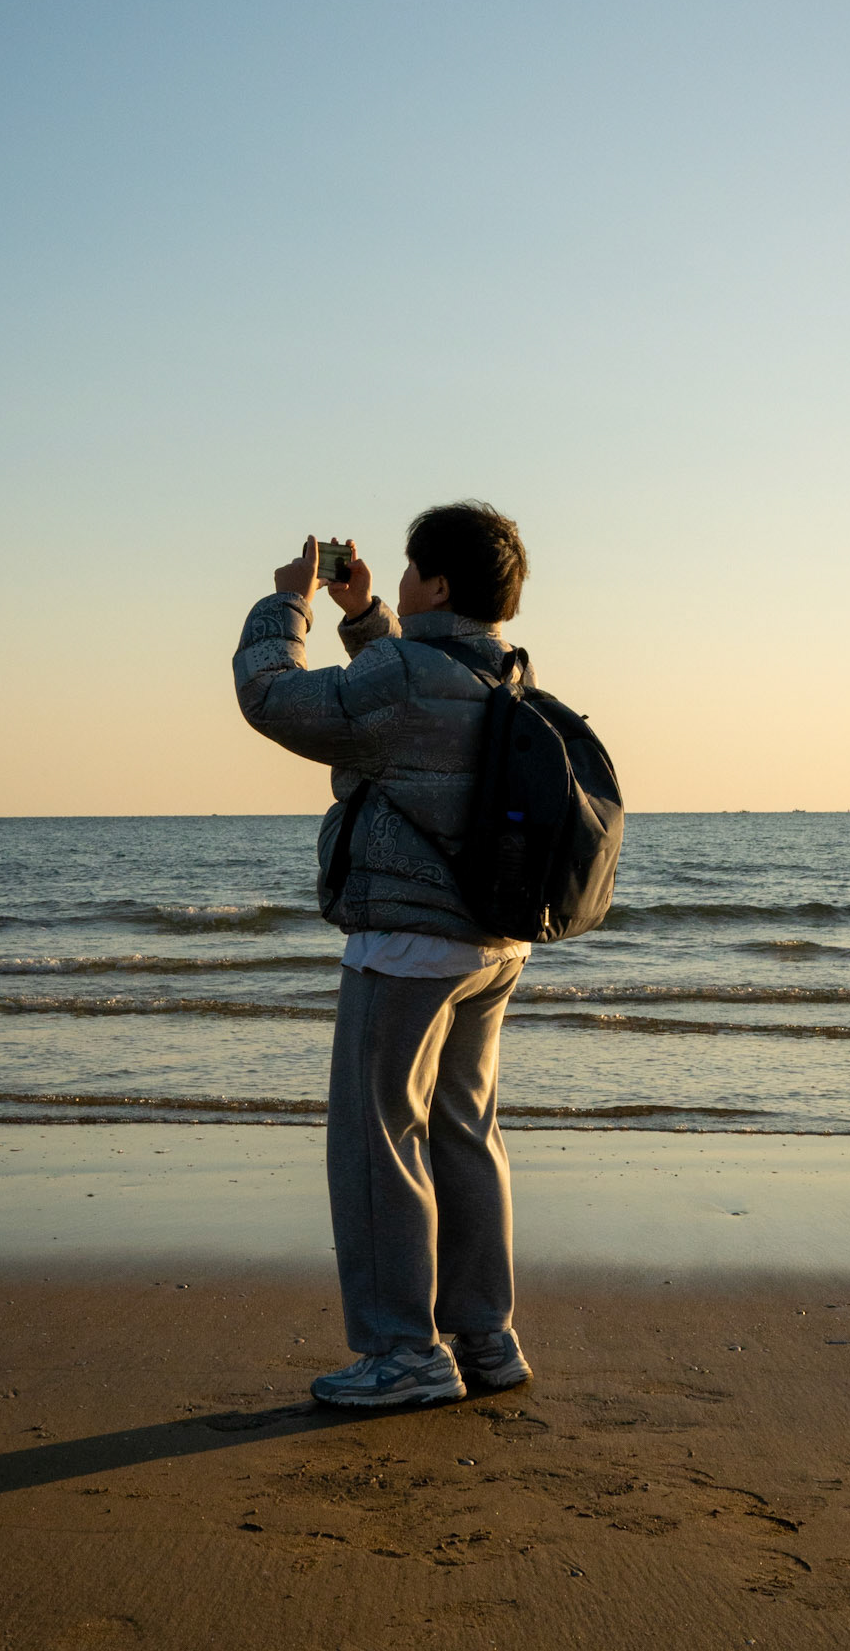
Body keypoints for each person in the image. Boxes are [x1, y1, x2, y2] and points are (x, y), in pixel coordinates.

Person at [232, 501, 535, 1408]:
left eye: (407, 574)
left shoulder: (408, 676)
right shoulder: (500, 672)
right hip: (492, 943)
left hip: (405, 943)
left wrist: (287, 606)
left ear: (437, 585)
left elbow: (274, 698)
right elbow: (408, 699)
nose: (398, 584)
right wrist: (366, 620)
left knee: (377, 1143)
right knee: (464, 1133)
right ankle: (484, 1338)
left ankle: (402, 1351)